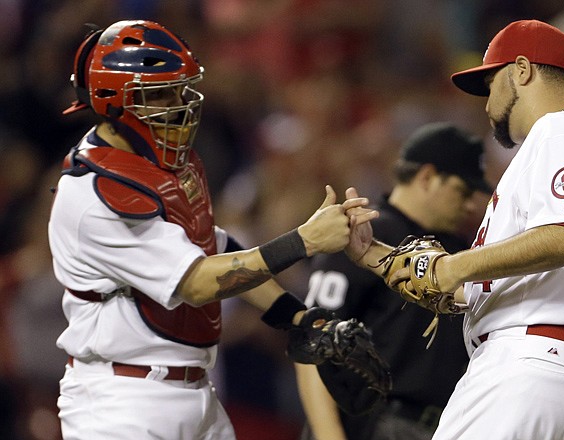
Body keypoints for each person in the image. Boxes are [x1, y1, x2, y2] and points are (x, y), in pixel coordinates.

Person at [48, 20, 377, 440]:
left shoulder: (167, 166)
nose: (179, 103)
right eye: (161, 94)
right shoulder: (94, 194)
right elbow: (198, 282)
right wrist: (304, 240)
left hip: (195, 391)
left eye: (181, 89)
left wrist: (299, 318)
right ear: (116, 102)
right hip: (122, 403)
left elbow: (215, 249)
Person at [344, 19, 564, 440]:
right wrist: (371, 253)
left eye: (492, 82)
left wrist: (454, 265)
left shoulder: (560, 131)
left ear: (522, 70)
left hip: (532, 366)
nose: (486, 104)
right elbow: (467, 287)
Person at [295, 122, 491, 440]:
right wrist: (328, 435)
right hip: (371, 424)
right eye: (463, 190)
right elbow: (312, 341)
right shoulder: (366, 235)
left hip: (444, 427)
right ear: (427, 177)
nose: (470, 204)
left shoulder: (457, 253)